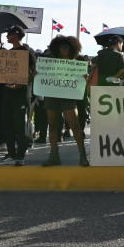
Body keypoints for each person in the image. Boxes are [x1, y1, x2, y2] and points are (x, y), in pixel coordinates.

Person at [40, 35, 90, 167]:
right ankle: (54, 155)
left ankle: (83, 156)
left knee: (75, 126)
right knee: (52, 126)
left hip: (69, 96)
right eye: (60, 46)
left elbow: (85, 81)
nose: (63, 49)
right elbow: (41, 74)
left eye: (66, 46)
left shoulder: (78, 61)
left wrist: (86, 78)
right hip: (52, 95)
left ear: (72, 47)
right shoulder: (50, 60)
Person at [0, 25, 37, 166]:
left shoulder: (27, 51)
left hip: (21, 94)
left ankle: (20, 156)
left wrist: (22, 84)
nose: (7, 36)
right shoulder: (9, 52)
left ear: (17, 35)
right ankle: (11, 154)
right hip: (7, 93)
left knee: (21, 125)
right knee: (7, 124)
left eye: (9, 34)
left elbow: (35, 72)